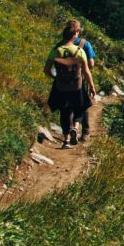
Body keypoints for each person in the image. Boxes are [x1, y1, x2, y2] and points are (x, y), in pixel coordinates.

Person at [44, 21, 97, 149]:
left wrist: (56, 78)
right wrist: (92, 86)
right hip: (77, 86)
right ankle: (76, 128)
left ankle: (66, 140)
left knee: (64, 112)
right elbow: (87, 70)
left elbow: (46, 70)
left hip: (61, 86)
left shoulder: (57, 50)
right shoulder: (79, 51)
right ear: (75, 35)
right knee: (80, 108)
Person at [67, 19, 96, 141]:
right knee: (83, 103)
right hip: (81, 78)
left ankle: (68, 132)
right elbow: (91, 64)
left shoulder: (63, 44)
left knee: (68, 105)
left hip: (65, 79)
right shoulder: (85, 44)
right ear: (78, 31)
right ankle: (85, 131)